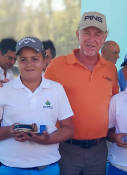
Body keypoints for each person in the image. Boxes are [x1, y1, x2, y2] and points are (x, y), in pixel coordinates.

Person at [44, 11, 119, 175]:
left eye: (97, 34)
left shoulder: (111, 69)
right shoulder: (57, 65)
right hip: (66, 149)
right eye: (86, 33)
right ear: (78, 34)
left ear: (104, 38)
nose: (91, 39)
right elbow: (36, 93)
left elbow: (118, 102)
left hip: (98, 151)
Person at [0, 37, 74, 175]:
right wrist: (10, 131)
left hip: (48, 168)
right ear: (17, 62)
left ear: (45, 61)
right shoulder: (3, 89)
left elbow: (68, 128)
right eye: (23, 60)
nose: (29, 64)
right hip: (11, 169)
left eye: (35, 59)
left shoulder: (56, 89)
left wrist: (48, 140)